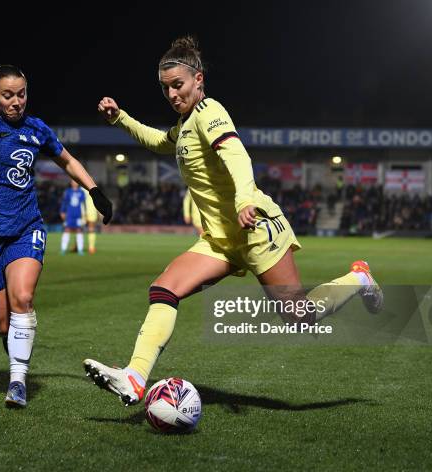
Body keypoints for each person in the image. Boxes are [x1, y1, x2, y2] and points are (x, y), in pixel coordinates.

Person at [83, 37, 383, 406]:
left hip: (256, 230)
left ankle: (359, 278)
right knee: (164, 289)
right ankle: (135, 376)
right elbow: (161, 141)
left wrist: (244, 199)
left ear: (199, 81)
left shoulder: (210, 112)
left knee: (300, 315)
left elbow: (237, 154)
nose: (172, 94)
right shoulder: (185, 123)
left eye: (178, 85)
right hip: (220, 240)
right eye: (165, 88)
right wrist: (121, 119)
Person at [0, 65, 112, 408]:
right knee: (3, 323)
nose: (16, 101)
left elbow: (66, 160)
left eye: (21, 94)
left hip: (25, 226)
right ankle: (13, 344)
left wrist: (94, 190)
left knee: (23, 297)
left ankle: (17, 382)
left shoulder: (36, 128)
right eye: (7, 95)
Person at [60, 180, 86, 255]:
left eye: (76, 181)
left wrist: (85, 214)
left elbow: (83, 204)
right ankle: (63, 249)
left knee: (79, 230)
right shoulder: (68, 192)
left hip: (78, 214)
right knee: (67, 229)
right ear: (71, 183)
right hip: (69, 214)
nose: (74, 183)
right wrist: (62, 211)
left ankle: (80, 250)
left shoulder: (81, 192)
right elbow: (64, 202)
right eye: (73, 181)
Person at [82, 186, 99, 254]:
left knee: (80, 229)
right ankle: (91, 248)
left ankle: (90, 247)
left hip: (86, 210)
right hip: (90, 211)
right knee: (89, 229)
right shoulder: (94, 187)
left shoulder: (81, 188)